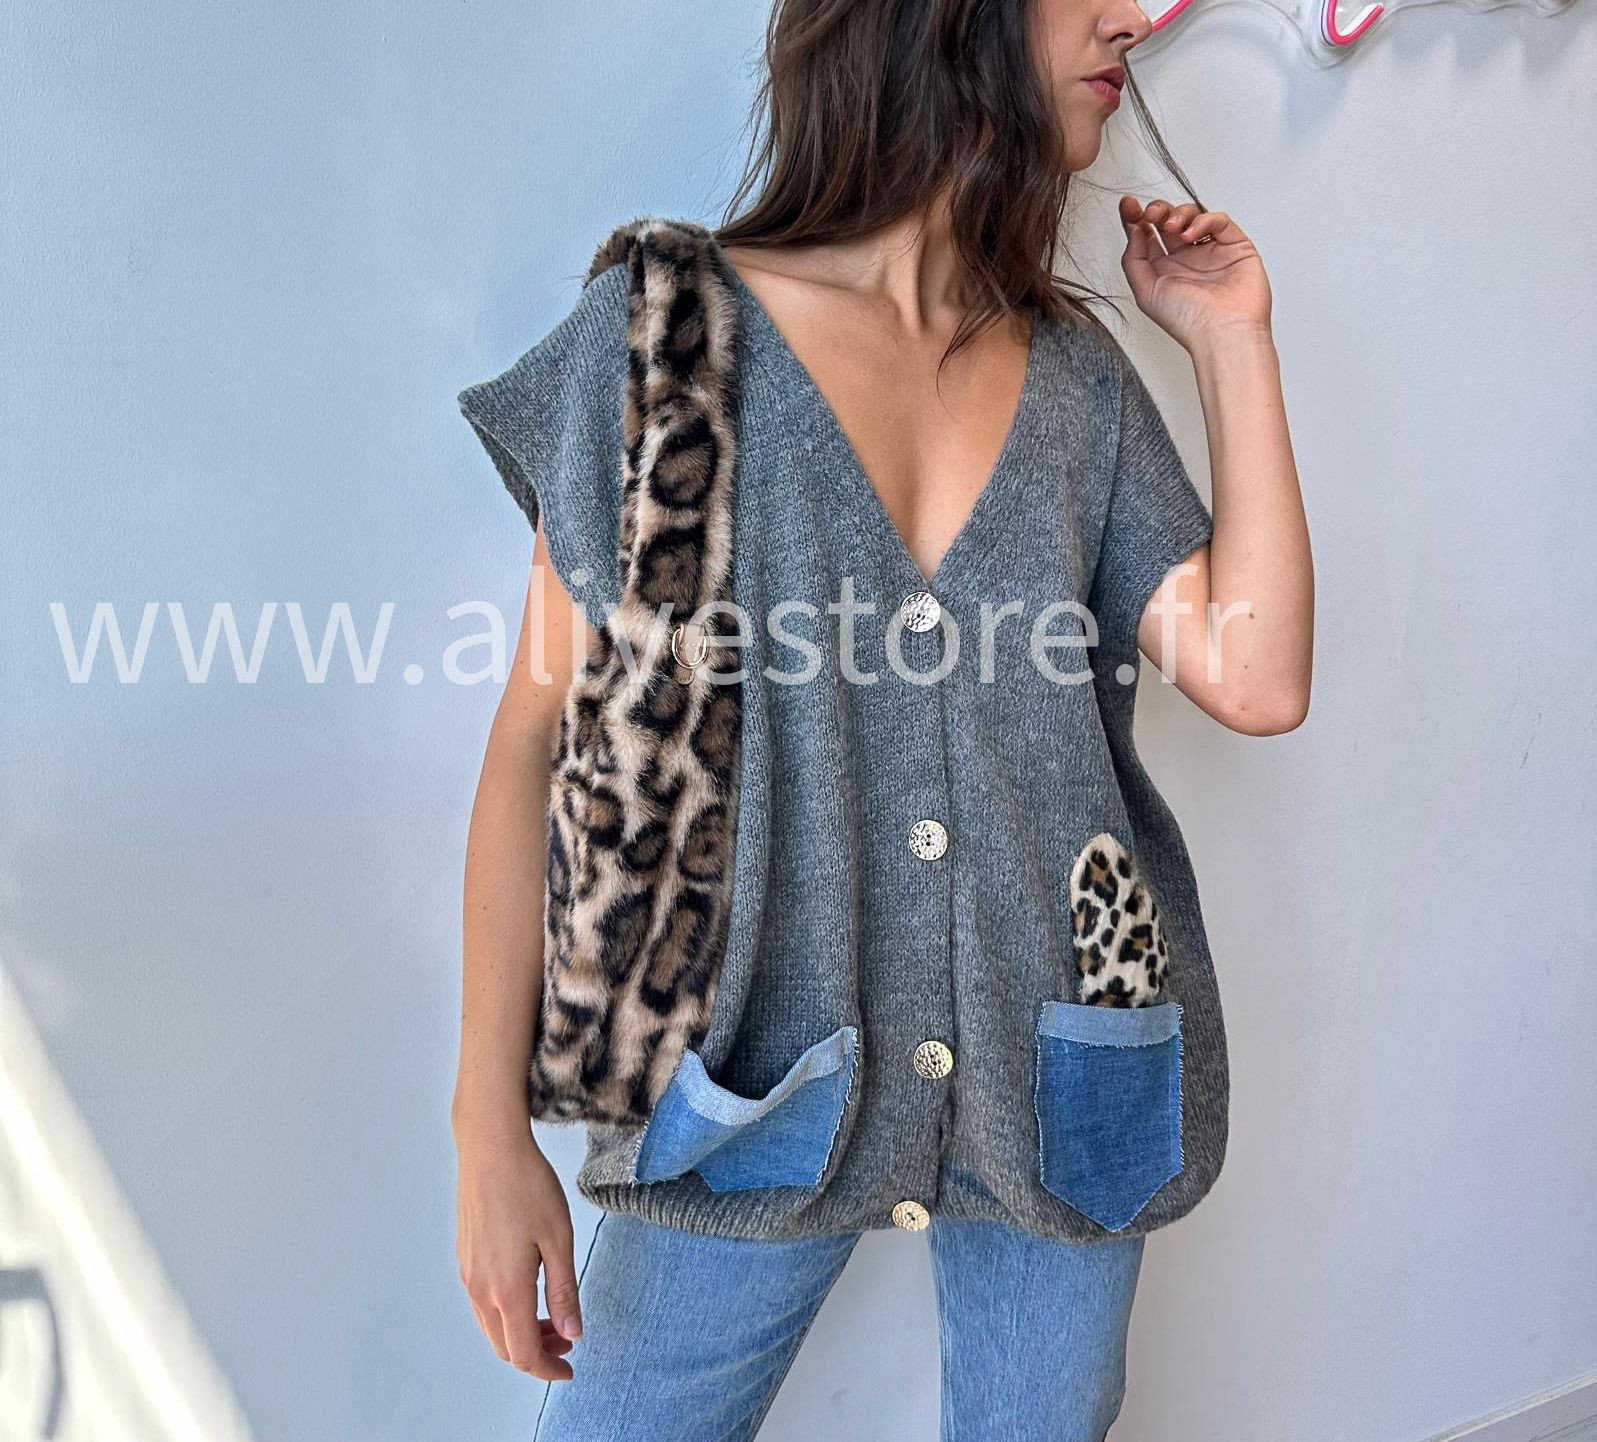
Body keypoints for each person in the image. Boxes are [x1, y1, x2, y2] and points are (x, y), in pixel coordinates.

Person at [451, 0, 1313, 1436]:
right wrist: (487, 1130)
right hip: (749, 1070)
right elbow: (533, 743)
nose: (1128, 21)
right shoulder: (669, 338)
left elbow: (1258, 677)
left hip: (1059, 1060)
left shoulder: (1075, 378)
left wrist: (1232, 340)